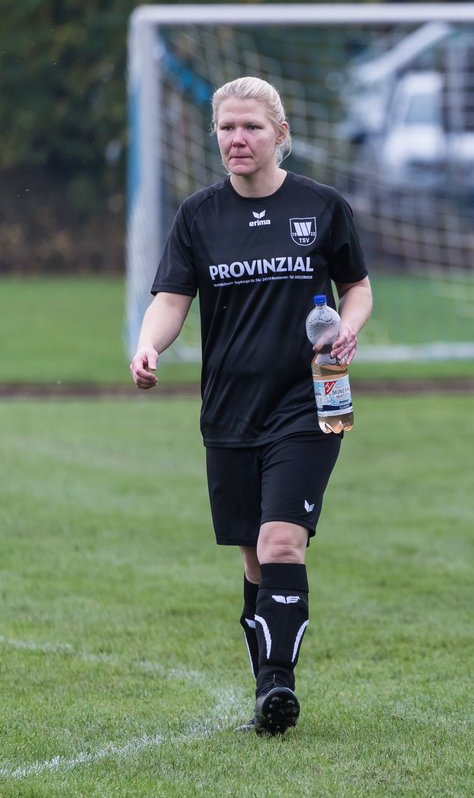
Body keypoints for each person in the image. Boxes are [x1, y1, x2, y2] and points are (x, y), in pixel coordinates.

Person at [128, 76, 372, 736]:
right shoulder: (198, 216)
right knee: (254, 557)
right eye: (228, 128)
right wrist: (147, 346)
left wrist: (351, 325)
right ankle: (268, 688)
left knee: (282, 538)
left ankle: (277, 686)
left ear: (280, 134)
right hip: (231, 406)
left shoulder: (322, 206)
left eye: (252, 127)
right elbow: (172, 300)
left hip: (317, 393)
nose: (238, 139)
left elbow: (357, 287)